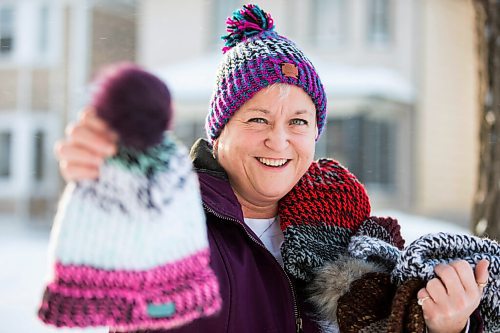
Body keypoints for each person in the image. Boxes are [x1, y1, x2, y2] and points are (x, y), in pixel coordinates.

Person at [55, 4, 490, 333]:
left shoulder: (351, 232)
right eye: (257, 119)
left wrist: (441, 325)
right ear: (219, 131)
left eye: (298, 122)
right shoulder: (169, 222)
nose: (278, 140)